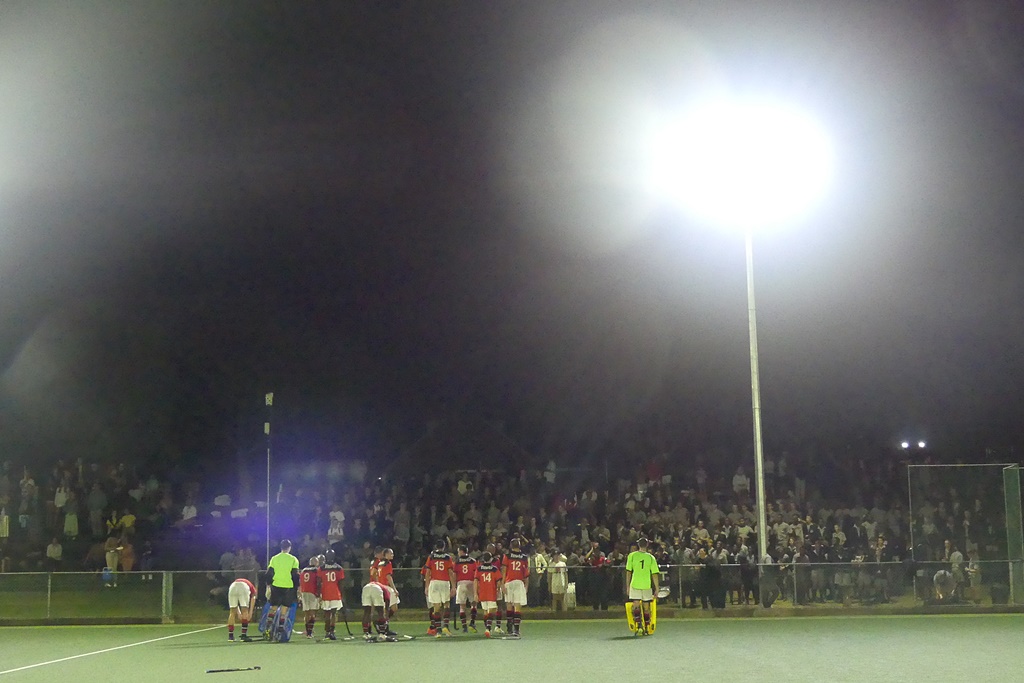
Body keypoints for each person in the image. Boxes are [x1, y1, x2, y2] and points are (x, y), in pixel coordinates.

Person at [265, 539, 300, 639]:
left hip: (276, 586)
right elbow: (295, 575)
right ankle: (280, 629)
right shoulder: (293, 559)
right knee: (284, 610)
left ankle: (268, 629)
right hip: (288, 587)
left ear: (281, 547)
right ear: (290, 547)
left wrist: (268, 585)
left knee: (273, 608)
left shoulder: (274, 558)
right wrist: (297, 588)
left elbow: (269, 573)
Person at [625, 537, 659, 636]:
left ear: (638, 545)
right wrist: (657, 588)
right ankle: (647, 627)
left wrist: (627, 586)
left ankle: (639, 626)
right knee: (646, 607)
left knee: (636, 606)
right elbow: (655, 574)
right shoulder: (651, 557)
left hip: (635, 584)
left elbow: (628, 572)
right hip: (646, 585)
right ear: (647, 545)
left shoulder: (632, 556)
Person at [422, 538, 455, 637]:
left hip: (434, 582)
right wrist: (453, 586)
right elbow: (450, 572)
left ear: (436, 547)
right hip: (444, 582)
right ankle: (446, 625)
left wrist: (426, 586)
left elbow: (427, 572)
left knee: (436, 607)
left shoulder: (431, 557)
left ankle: (438, 630)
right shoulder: (447, 557)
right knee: (446, 605)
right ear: (444, 547)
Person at [501, 537, 530, 638]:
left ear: (510, 546)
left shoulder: (507, 556)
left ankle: (509, 628)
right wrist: (526, 585)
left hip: (509, 582)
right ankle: (516, 630)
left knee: (509, 605)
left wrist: (502, 584)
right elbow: (526, 573)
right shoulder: (524, 557)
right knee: (517, 606)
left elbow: (504, 571)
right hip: (519, 582)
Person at [474, 551, 503, 637]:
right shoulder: (494, 569)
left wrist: (475, 593)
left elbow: (475, 581)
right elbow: (498, 581)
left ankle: (487, 627)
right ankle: (488, 629)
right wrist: (498, 589)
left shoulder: (479, 569)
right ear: (490, 559)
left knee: (486, 611)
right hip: (491, 591)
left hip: (482, 592)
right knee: (492, 610)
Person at [318, 549, 346, 640]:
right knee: (333, 614)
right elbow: (341, 583)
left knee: (327, 614)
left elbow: (318, 582)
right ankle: (331, 631)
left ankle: (327, 632)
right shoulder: (338, 568)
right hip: (334, 593)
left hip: (326, 593)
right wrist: (342, 595)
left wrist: (319, 594)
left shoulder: (321, 568)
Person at [453, 545, 478, 633]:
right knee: (473, 604)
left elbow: (454, 574)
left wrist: (454, 586)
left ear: (461, 551)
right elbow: (476, 573)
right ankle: (472, 622)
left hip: (461, 583)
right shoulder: (472, 561)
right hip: (471, 582)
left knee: (462, 606)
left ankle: (464, 627)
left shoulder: (457, 561)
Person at [227, 576, 257, 642]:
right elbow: (253, 598)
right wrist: (250, 612)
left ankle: (230, 636)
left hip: (232, 586)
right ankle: (243, 635)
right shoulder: (252, 587)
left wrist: (238, 612)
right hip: (243, 587)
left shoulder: (238, 581)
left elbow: (235, 604)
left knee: (232, 612)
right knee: (245, 610)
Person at [298, 555, 321, 639]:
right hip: (312, 592)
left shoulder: (303, 570)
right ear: (316, 562)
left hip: (304, 592)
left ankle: (308, 630)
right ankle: (310, 632)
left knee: (306, 613)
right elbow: (318, 581)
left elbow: (300, 581)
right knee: (312, 613)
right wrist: (319, 593)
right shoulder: (316, 570)